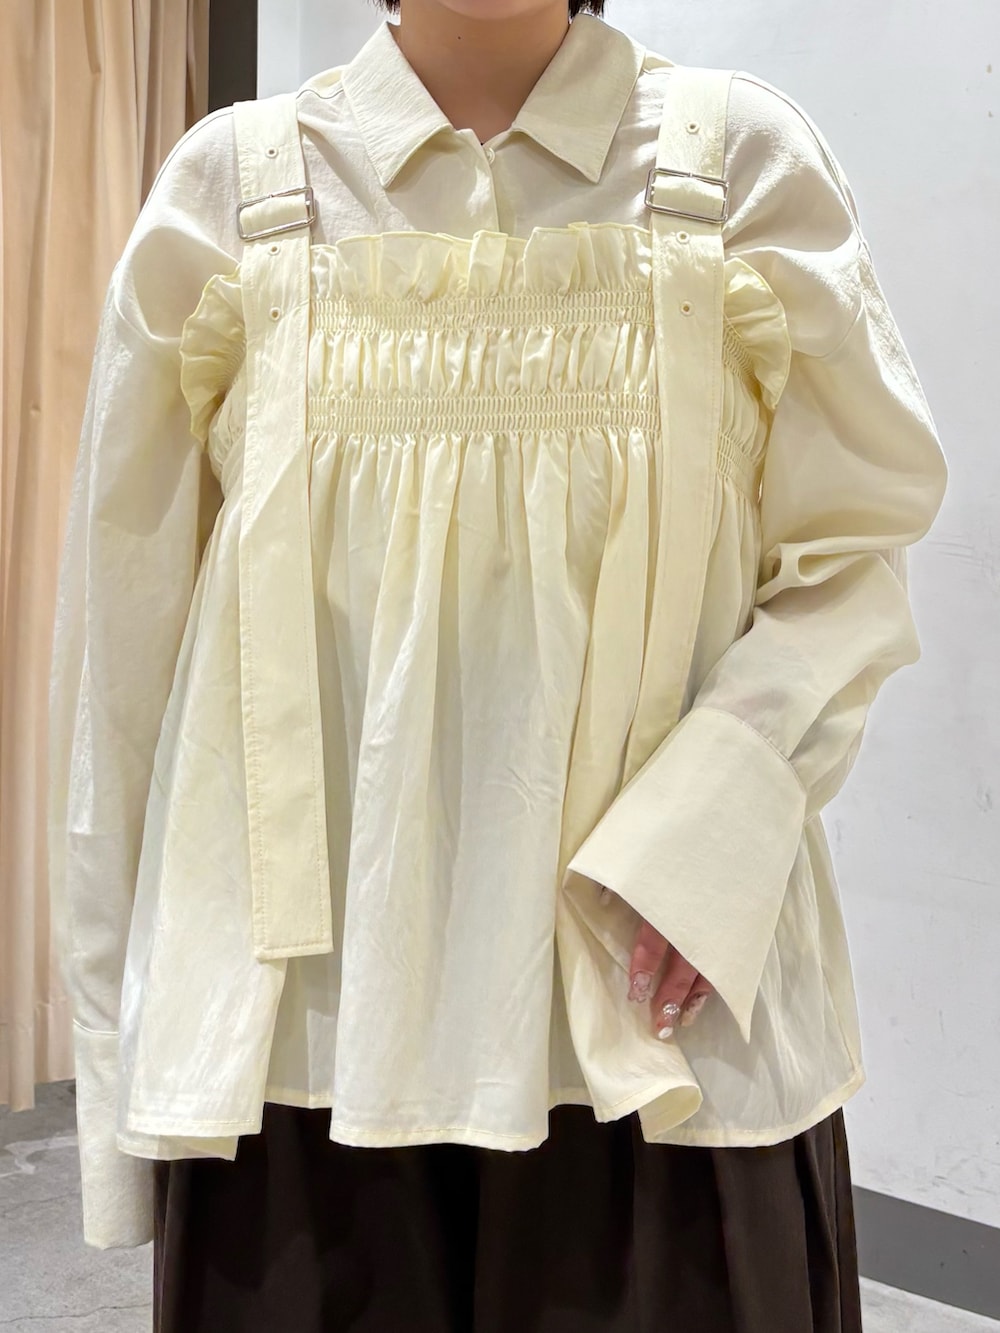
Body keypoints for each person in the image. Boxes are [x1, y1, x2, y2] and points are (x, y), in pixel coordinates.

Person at [46, 0, 949, 1328]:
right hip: (303, 1048)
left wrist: (711, 835)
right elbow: (126, 663)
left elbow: (853, 555)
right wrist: (126, 1076)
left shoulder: (741, 168)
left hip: (660, 1025)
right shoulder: (230, 192)